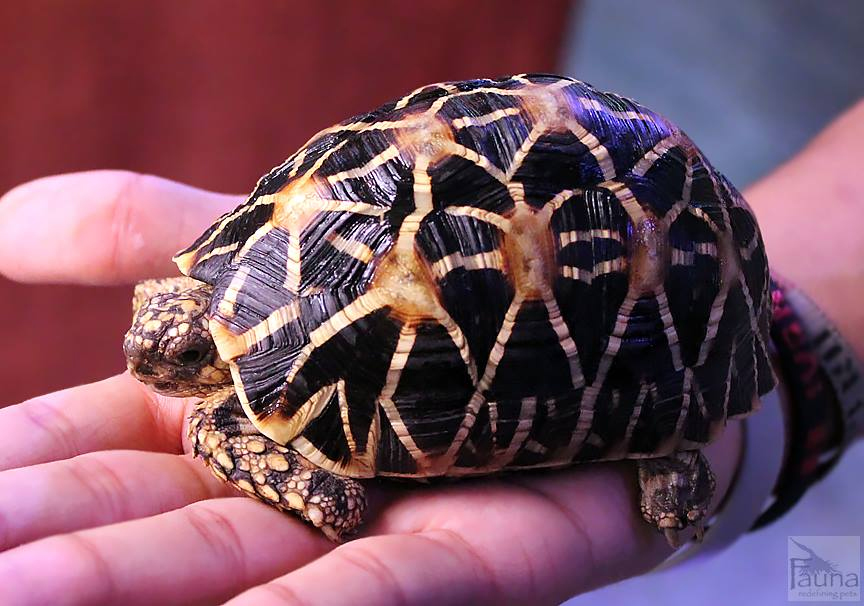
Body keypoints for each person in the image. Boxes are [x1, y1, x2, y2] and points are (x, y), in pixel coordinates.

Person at [0, 99, 860, 606]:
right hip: (649, 146)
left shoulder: (248, 376)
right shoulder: (278, 229)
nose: (157, 370)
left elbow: (334, 505)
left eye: (187, 354)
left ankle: (671, 445)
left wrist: (227, 430)